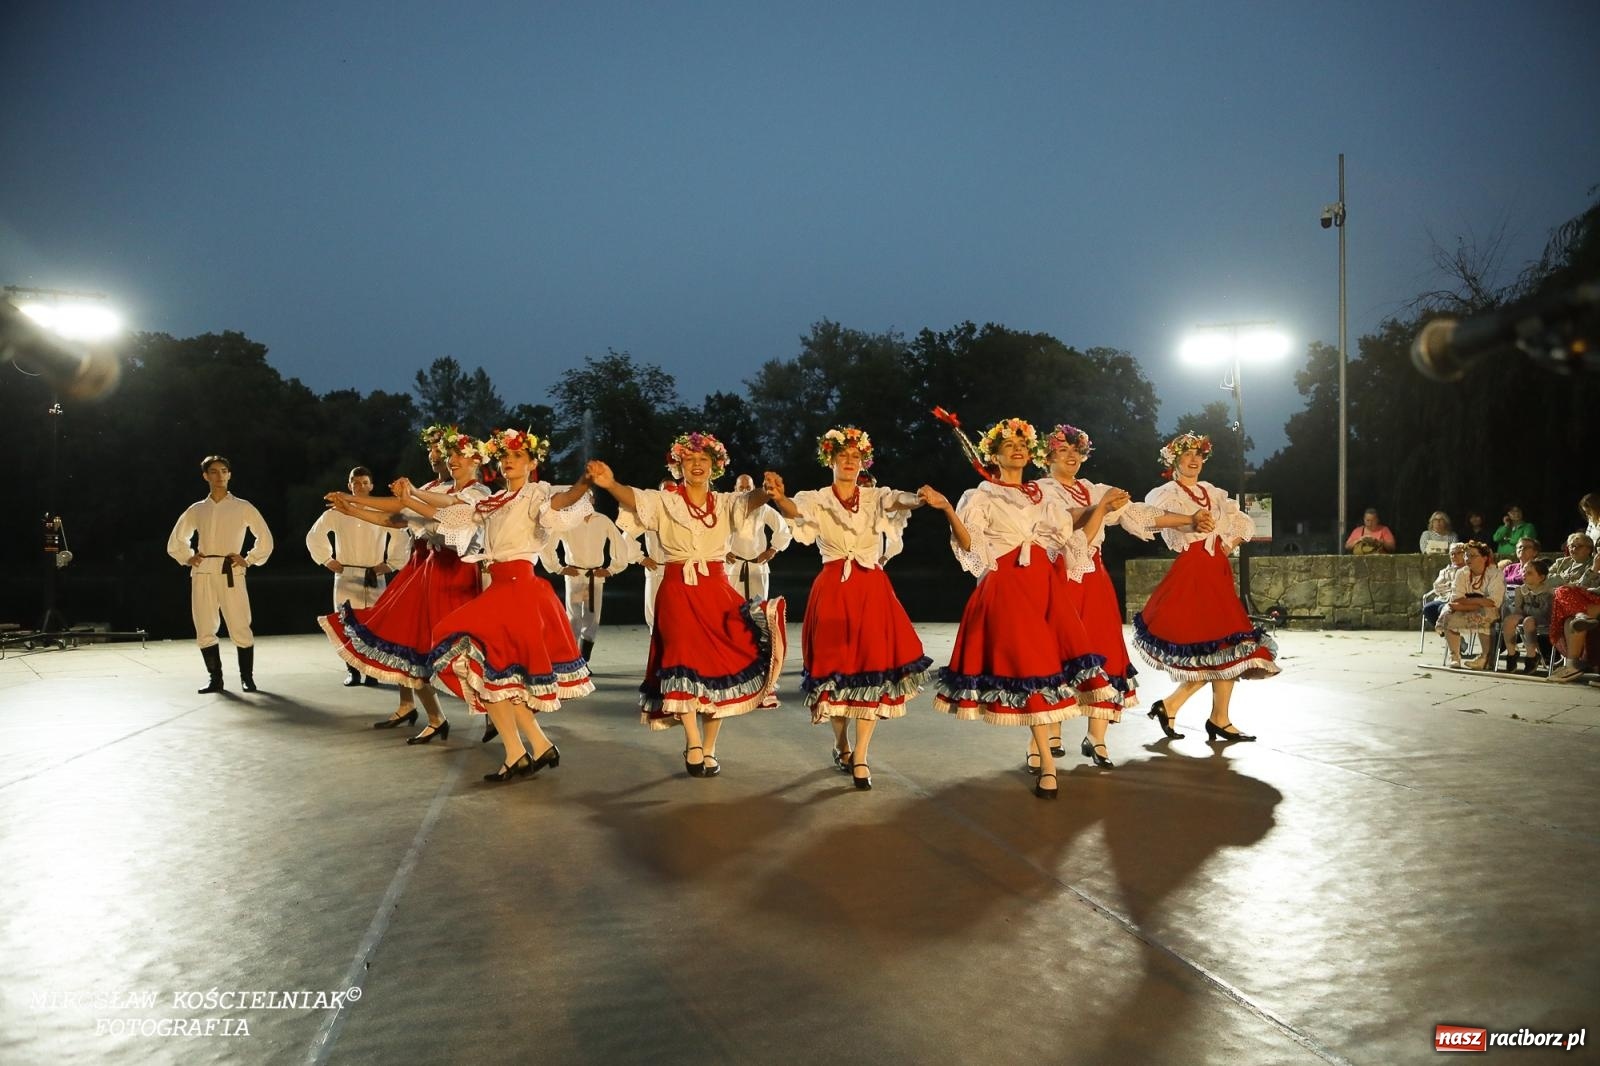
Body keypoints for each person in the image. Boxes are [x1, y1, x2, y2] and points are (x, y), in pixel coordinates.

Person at [932, 417, 1119, 800]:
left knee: (1052, 666)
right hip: (1008, 587)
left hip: (1046, 586)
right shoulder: (982, 495)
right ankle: (1047, 763)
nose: (1017, 449)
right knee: (1034, 667)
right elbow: (970, 545)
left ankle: (1047, 751)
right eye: (1009, 445)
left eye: (1022, 444)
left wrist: (1100, 509)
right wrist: (948, 509)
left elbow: (1071, 536)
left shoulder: (1041, 496)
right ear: (994, 455)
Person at [587, 432, 787, 778]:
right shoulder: (665, 501)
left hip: (717, 590)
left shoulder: (724, 502)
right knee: (681, 659)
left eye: (704, 460)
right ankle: (693, 742)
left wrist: (766, 491)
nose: (697, 465)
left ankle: (709, 748)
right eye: (690, 459)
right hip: (678, 588)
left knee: (719, 667)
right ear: (678, 465)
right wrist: (611, 484)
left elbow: (749, 500)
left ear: (715, 466)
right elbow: (634, 498)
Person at [402, 429, 594, 781]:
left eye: (518, 456)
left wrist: (584, 481)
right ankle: (530, 747)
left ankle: (524, 749)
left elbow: (564, 501)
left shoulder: (536, 494)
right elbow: (448, 514)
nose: (509, 461)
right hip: (500, 589)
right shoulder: (495, 501)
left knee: (464, 646)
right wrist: (411, 496)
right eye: (505, 455)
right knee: (495, 674)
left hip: (521, 589)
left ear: (532, 463)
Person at [761, 426, 941, 790]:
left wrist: (920, 498)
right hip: (833, 589)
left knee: (872, 668)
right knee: (836, 672)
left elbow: (899, 500)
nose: (849, 461)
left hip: (871, 590)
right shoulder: (817, 498)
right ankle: (841, 743)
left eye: (855, 456)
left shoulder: (874, 497)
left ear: (863, 462)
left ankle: (860, 755)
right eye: (842, 455)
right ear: (830, 459)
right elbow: (796, 510)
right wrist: (780, 498)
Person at [1029, 423, 1198, 771]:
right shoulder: (1039, 492)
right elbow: (1067, 522)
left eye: (1077, 450)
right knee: (1056, 655)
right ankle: (1044, 737)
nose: (1072, 456)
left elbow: (1139, 514)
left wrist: (1190, 518)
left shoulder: (1093, 489)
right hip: (1057, 578)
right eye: (1063, 450)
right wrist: (1101, 507)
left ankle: (1097, 738)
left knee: (1104, 652)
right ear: (1047, 457)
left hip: (1095, 580)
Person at [320, 426, 489, 743]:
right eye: (437, 453)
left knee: (466, 647)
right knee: (407, 640)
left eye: (448, 453)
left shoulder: (474, 494)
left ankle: (495, 709)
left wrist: (405, 495)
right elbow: (395, 515)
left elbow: (433, 508)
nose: (441, 458)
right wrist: (352, 505)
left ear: (474, 460)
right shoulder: (431, 488)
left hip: (458, 572)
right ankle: (432, 715)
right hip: (428, 567)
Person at [1134, 433, 1279, 742]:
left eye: (1199, 454)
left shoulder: (1211, 491)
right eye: (1187, 454)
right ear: (1173, 460)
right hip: (1193, 569)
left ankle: (1212, 716)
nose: (1194, 459)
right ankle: (1191, 711)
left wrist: (1227, 545)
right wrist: (1188, 520)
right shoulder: (1167, 493)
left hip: (1217, 568)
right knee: (1214, 644)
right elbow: (1148, 520)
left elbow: (1244, 522)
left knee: (1227, 645)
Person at [167, 455, 275, 694]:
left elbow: (265, 538)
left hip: (230, 570)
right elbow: (177, 539)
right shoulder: (197, 509)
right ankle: (215, 679)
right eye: (214, 472)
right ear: (205, 476)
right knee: (204, 625)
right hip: (203, 571)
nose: (220, 476)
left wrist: (249, 559)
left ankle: (247, 678)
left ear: (229, 475)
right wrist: (188, 557)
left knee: (239, 623)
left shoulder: (242, 507)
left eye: (224, 471)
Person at [305, 465, 410, 686]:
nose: (360, 486)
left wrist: (391, 564)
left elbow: (401, 535)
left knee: (373, 623)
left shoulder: (380, 512)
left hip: (373, 573)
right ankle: (352, 670)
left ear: (371, 486)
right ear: (349, 485)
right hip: (347, 572)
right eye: (356, 483)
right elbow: (314, 535)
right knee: (347, 622)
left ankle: (372, 672)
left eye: (364, 483)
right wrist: (327, 559)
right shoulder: (337, 512)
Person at [539, 496, 630, 661]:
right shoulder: (567, 521)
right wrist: (558, 568)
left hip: (594, 577)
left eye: (586, 498)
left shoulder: (602, 521)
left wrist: (611, 569)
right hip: (575, 576)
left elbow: (619, 543)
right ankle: (571, 659)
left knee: (592, 618)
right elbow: (548, 543)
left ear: (593, 500)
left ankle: (584, 660)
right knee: (574, 617)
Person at [1435, 541, 1505, 670]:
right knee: (1448, 613)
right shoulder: (1462, 573)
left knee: (1485, 613)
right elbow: (1457, 598)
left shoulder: (1495, 574)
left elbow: (1493, 602)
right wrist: (1480, 601)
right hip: (1468, 607)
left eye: (1473, 555)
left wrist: (1467, 602)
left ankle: (1485, 658)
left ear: (1484, 558)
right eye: (1467, 555)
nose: (1468, 559)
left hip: (1489, 610)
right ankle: (1455, 656)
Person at [725, 472, 792, 601]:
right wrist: (723, 551)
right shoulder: (727, 508)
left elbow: (783, 528)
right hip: (733, 568)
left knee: (758, 607)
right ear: (735, 488)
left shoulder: (763, 509)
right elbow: (715, 532)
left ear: (754, 488)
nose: (745, 491)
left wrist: (772, 551)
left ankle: (758, 613)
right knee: (733, 607)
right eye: (741, 488)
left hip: (757, 568)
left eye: (748, 488)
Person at [1548, 532, 1600, 682]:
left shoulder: (1592, 564)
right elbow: (1547, 581)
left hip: (1590, 602)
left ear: (1589, 549)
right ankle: (1572, 666)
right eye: (1571, 546)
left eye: (1578, 546)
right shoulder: (1563, 562)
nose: (1573, 549)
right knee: (1570, 621)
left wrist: (1593, 570)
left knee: (1562, 591)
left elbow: (1584, 588)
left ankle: (1580, 615)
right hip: (1582, 604)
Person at [1502, 558, 1553, 674]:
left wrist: (1526, 609)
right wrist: (1517, 615)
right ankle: (1512, 653)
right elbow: (1518, 609)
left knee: (1528, 621)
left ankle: (1532, 656)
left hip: (1543, 619)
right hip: (1527, 616)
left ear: (1541, 577)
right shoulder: (1520, 590)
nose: (1524, 574)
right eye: (1523, 571)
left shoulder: (1548, 591)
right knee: (1509, 620)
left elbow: (1544, 611)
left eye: (1529, 573)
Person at [1422, 543, 1469, 631]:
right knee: (1428, 608)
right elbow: (1437, 588)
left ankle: (1451, 635)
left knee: (1443, 609)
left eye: (1458, 553)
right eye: (1452, 554)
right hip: (1444, 599)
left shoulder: (1469, 570)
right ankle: (1444, 633)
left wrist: (1449, 586)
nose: (1454, 556)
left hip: (1461, 601)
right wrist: (1448, 586)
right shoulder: (1445, 571)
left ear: (1464, 554)